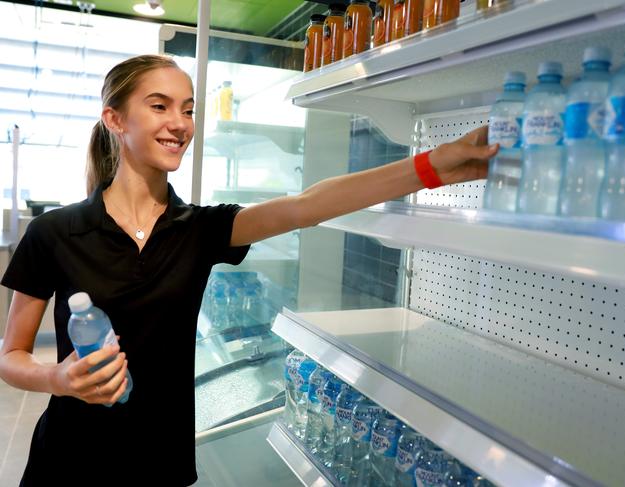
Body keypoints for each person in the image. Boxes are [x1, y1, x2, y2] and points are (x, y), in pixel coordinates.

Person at [0, 54, 497, 486]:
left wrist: (432, 166)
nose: (181, 123)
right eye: (160, 106)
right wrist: (58, 378)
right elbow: (12, 356)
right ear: (115, 118)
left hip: (160, 465)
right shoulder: (55, 233)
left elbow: (306, 205)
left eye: (188, 109)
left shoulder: (200, 230)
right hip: (67, 463)